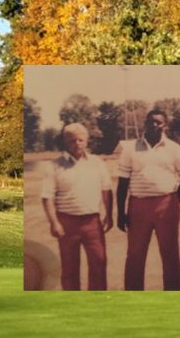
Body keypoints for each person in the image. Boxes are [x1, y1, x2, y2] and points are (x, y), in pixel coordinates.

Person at [116, 109, 180, 290]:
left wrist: (174, 200)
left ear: (165, 126)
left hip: (167, 205)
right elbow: (122, 183)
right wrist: (120, 213)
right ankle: (133, 297)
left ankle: (174, 297)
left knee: (170, 254)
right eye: (151, 122)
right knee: (135, 255)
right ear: (144, 124)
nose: (154, 125)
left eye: (159, 122)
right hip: (138, 206)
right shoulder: (130, 148)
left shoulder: (174, 149)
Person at [41, 123, 113, 290]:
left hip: (92, 222)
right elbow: (47, 197)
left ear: (87, 140)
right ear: (65, 142)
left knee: (99, 263)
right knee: (69, 268)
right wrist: (54, 223)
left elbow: (107, 191)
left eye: (81, 139)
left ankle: (97, 305)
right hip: (67, 223)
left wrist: (109, 215)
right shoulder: (54, 166)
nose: (77, 143)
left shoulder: (97, 163)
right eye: (72, 140)